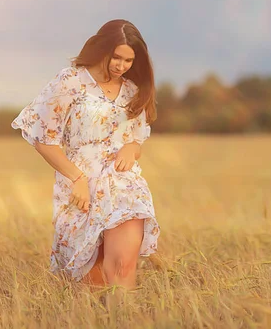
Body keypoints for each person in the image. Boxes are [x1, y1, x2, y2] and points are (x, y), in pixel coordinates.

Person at [11, 19, 160, 289]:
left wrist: (131, 147)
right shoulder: (70, 81)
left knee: (122, 268)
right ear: (102, 48)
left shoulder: (131, 91)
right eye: (116, 57)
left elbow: (136, 138)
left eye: (128, 61)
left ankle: (123, 317)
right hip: (81, 186)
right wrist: (76, 178)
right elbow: (43, 138)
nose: (121, 66)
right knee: (90, 282)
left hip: (123, 184)